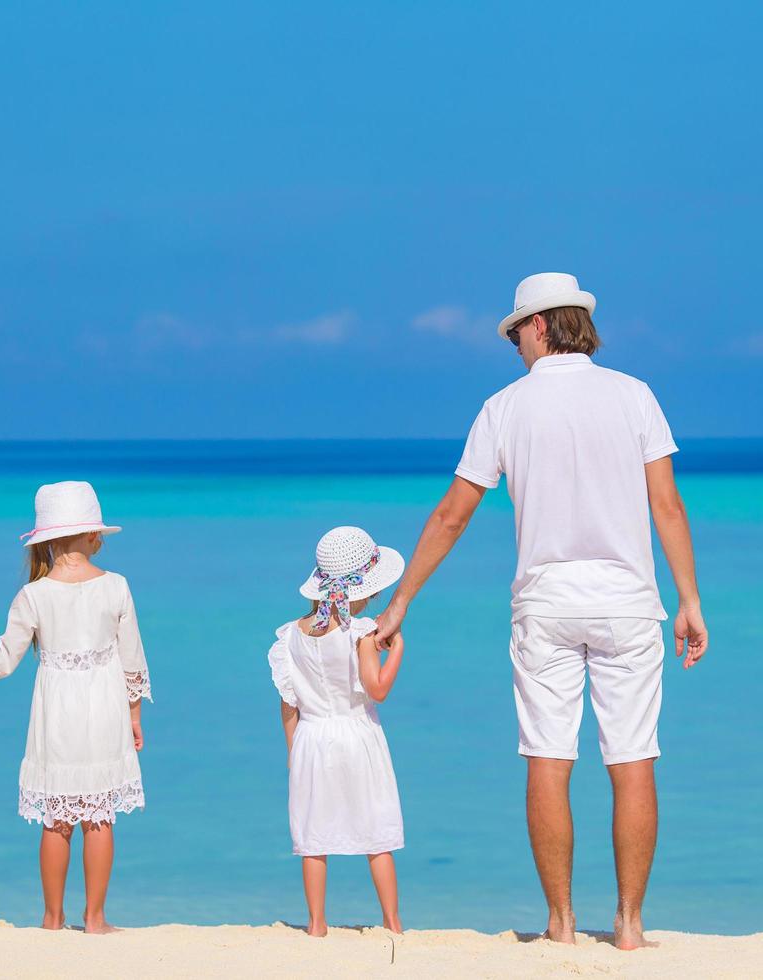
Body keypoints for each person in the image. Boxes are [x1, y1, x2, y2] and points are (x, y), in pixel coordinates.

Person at [373, 273, 709, 950]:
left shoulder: (504, 408)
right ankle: (629, 926)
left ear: (539, 326)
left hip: (545, 604)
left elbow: (452, 515)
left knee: (547, 759)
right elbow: (665, 505)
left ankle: (559, 925)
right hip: (627, 602)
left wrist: (401, 597)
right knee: (633, 759)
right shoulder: (633, 395)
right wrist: (689, 598)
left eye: (513, 333)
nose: (512, 346)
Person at [0, 480, 149, 933]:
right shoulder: (117, 587)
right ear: (87, 536)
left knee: (57, 817)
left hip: (56, 714)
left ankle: (51, 919)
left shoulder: (34, 595)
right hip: (105, 710)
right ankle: (96, 919)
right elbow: (132, 662)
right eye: (96, 530)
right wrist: (135, 715)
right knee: (99, 816)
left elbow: (3, 662)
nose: (100, 536)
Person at [268, 526, 407, 937]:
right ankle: (393, 923)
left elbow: (288, 705)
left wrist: (294, 752)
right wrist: (396, 650)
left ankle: (316, 924)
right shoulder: (360, 633)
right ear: (359, 590)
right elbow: (376, 690)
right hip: (356, 733)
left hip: (311, 737)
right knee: (376, 832)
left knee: (314, 837)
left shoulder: (290, 636)